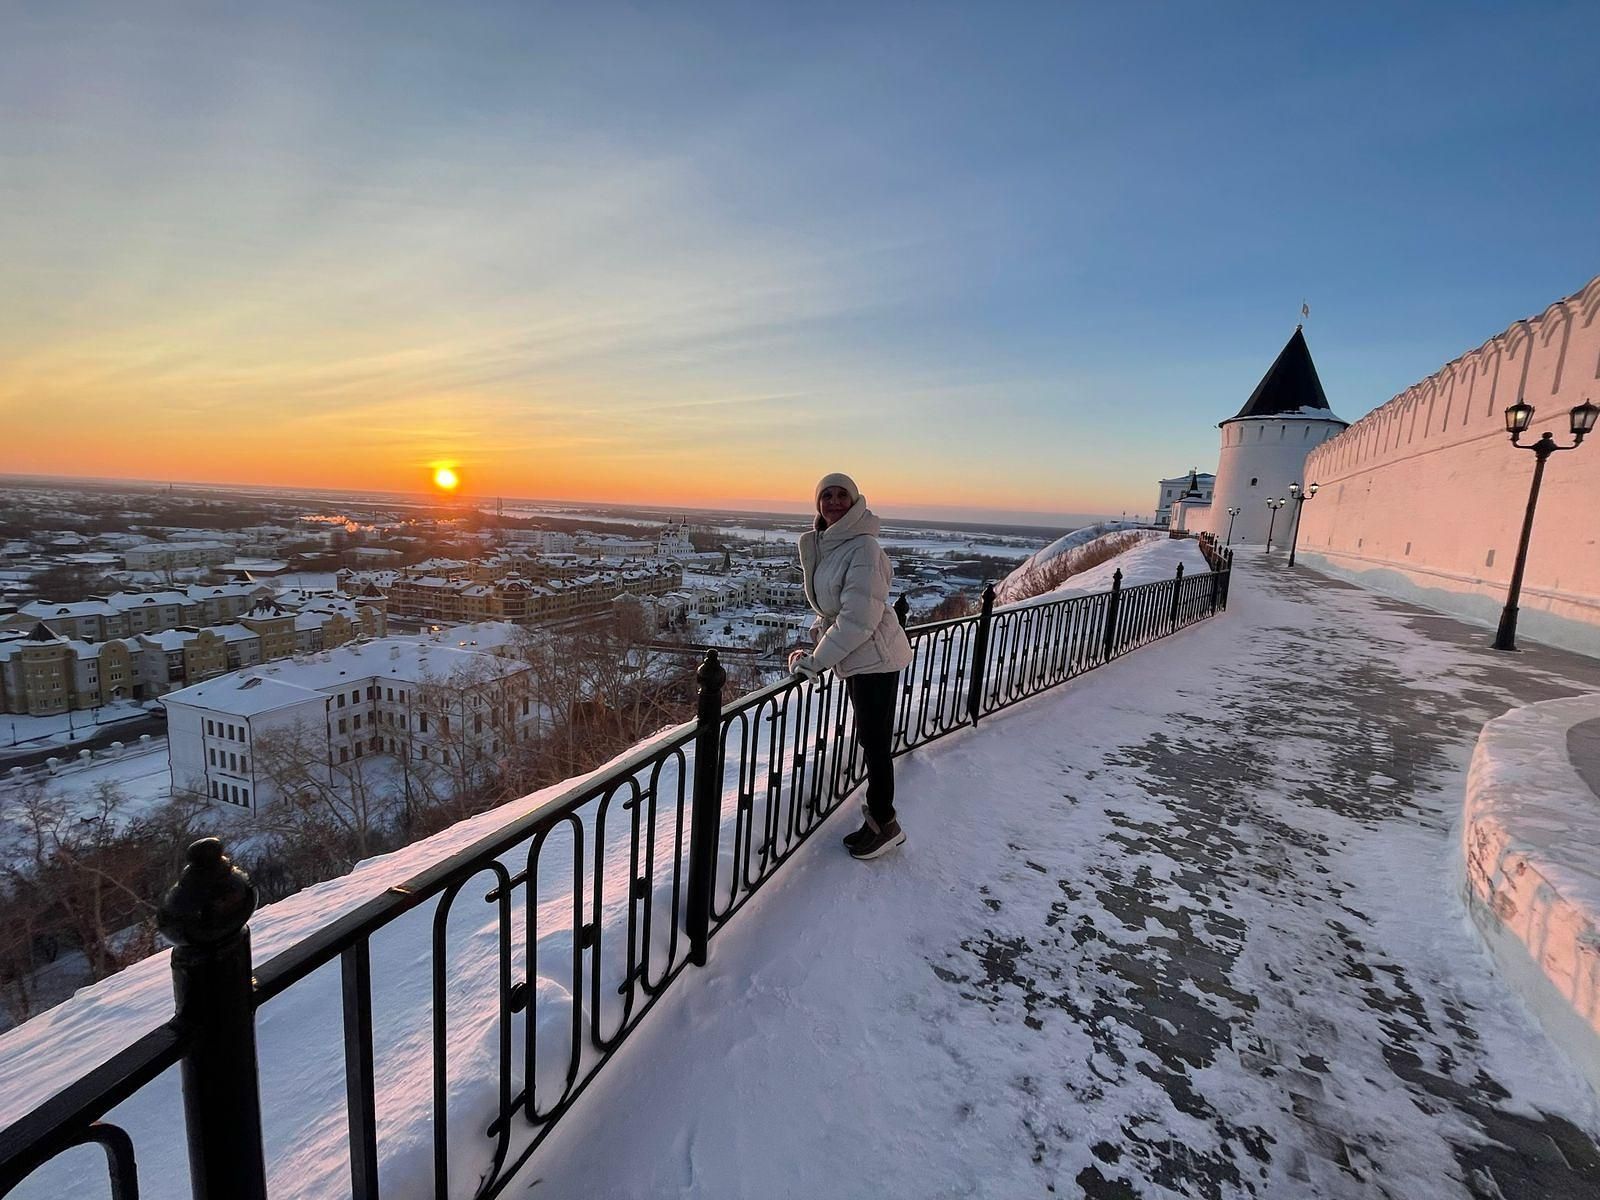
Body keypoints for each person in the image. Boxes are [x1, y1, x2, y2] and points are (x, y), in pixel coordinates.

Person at [789, 472, 915, 859]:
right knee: (871, 741)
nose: (834, 501)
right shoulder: (831, 543)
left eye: (842, 495)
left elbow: (858, 618)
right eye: (826, 495)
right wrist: (816, 638)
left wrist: (817, 661)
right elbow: (835, 608)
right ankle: (880, 820)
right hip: (861, 656)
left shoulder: (862, 547)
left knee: (875, 744)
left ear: (855, 501)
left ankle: (885, 824)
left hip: (874, 656)